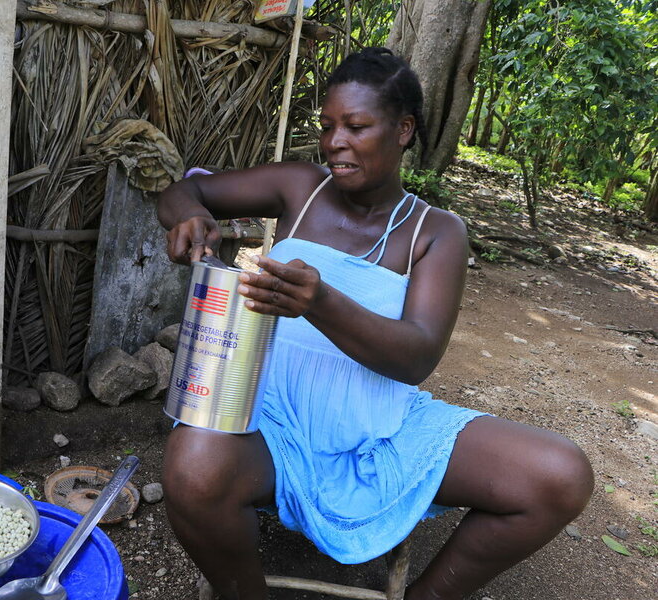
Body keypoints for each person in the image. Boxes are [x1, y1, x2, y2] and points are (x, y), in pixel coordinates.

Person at [156, 47, 593, 600]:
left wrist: (321, 302)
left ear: (403, 130)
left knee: (561, 475)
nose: (335, 142)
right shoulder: (299, 187)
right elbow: (182, 191)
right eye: (328, 126)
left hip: (381, 425)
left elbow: (416, 357)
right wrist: (190, 217)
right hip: (272, 417)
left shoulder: (436, 233)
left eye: (356, 126)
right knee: (193, 468)